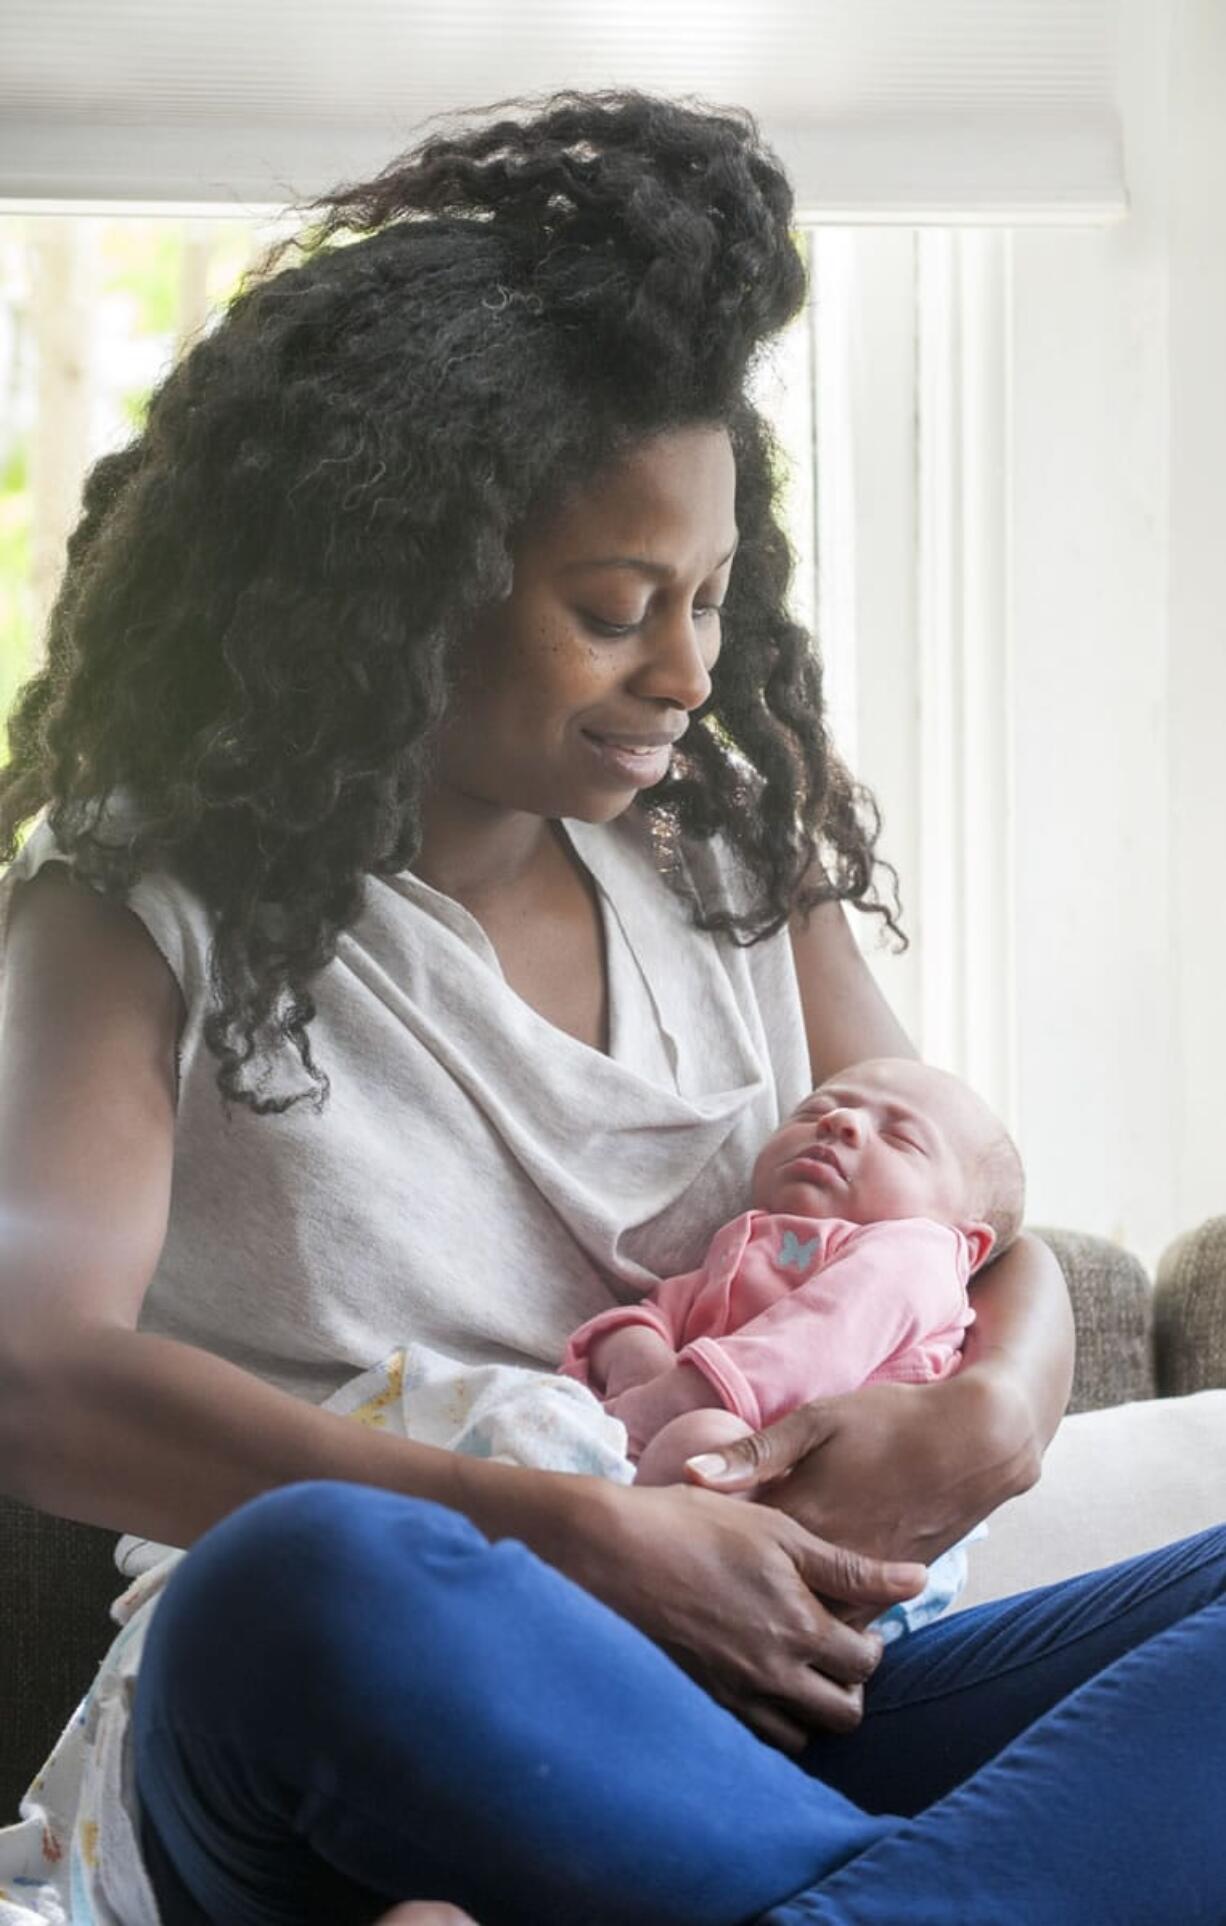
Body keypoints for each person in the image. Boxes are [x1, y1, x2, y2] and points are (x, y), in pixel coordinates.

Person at [0, 89, 1222, 1926]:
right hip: (365, 1696)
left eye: (715, 597)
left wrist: (1003, 1402)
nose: (687, 669)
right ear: (393, 593)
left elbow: (963, 1207)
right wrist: (578, 1533)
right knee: (308, 1570)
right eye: (614, 604)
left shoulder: (729, 859)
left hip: (752, 1706)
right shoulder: (136, 906)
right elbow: (32, 1368)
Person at [563, 1055, 1020, 1491]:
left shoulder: (920, 1254)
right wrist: (631, 1346)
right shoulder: (744, 1244)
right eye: (813, 1111)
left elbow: (813, 1345)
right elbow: (663, 1309)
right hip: (719, 1454)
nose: (839, 1120)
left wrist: (652, 1410)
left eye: (902, 1139)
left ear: (967, 1243)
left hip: (837, 1486)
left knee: (701, 1436)